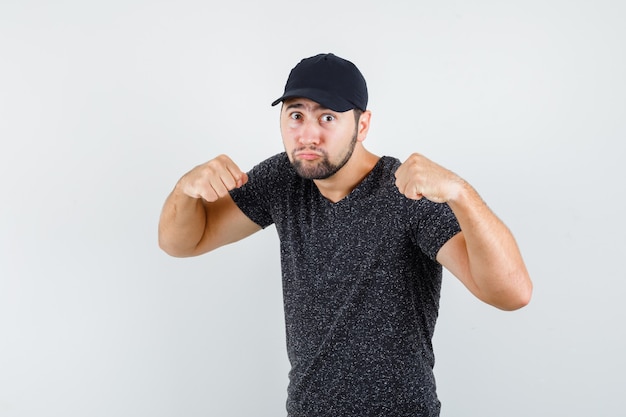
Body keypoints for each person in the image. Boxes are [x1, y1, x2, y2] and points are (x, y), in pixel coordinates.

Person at [158, 53, 532, 417]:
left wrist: (461, 194)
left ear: (362, 125)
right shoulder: (284, 180)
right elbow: (183, 241)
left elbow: (512, 293)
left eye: (328, 117)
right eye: (296, 115)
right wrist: (184, 189)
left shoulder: (406, 192)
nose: (308, 134)